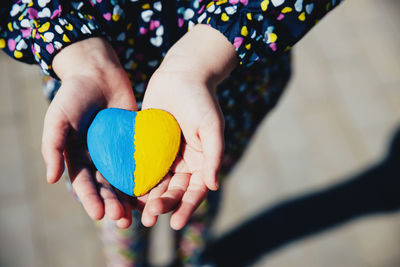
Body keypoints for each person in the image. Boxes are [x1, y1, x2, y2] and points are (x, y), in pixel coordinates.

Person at [0, 0, 343, 265]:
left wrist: (209, 49)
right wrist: (72, 48)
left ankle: (192, 259)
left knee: (202, 184)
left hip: (225, 83)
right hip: (89, 100)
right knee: (117, 213)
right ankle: (128, 261)